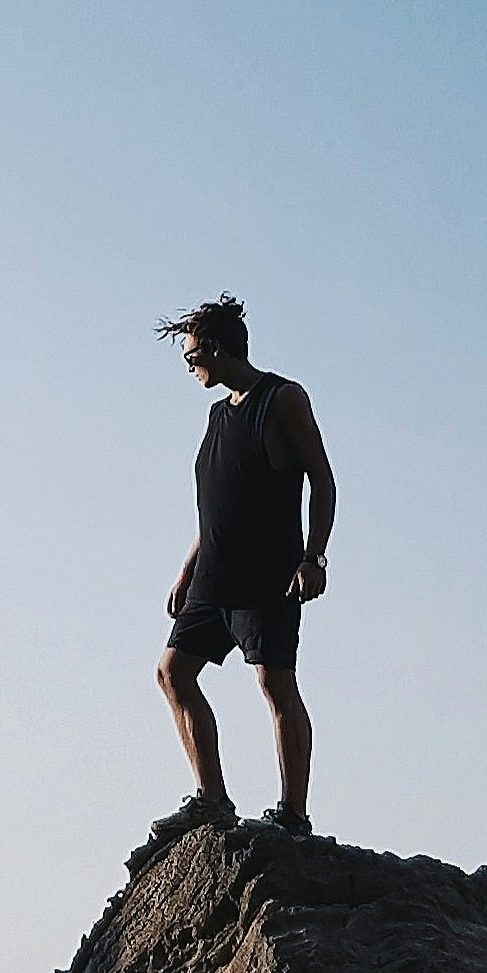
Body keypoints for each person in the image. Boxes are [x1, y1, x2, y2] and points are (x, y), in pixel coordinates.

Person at [141, 295, 336, 856]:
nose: (190, 366)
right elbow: (220, 501)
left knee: (275, 684)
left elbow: (321, 478)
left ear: (220, 349)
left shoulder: (282, 399)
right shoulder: (217, 413)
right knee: (172, 673)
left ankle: (294, 817)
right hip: (212, 578)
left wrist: (313, 556)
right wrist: (187, 567)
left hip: (268, 576)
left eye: (192, 355)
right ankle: (213, 799)